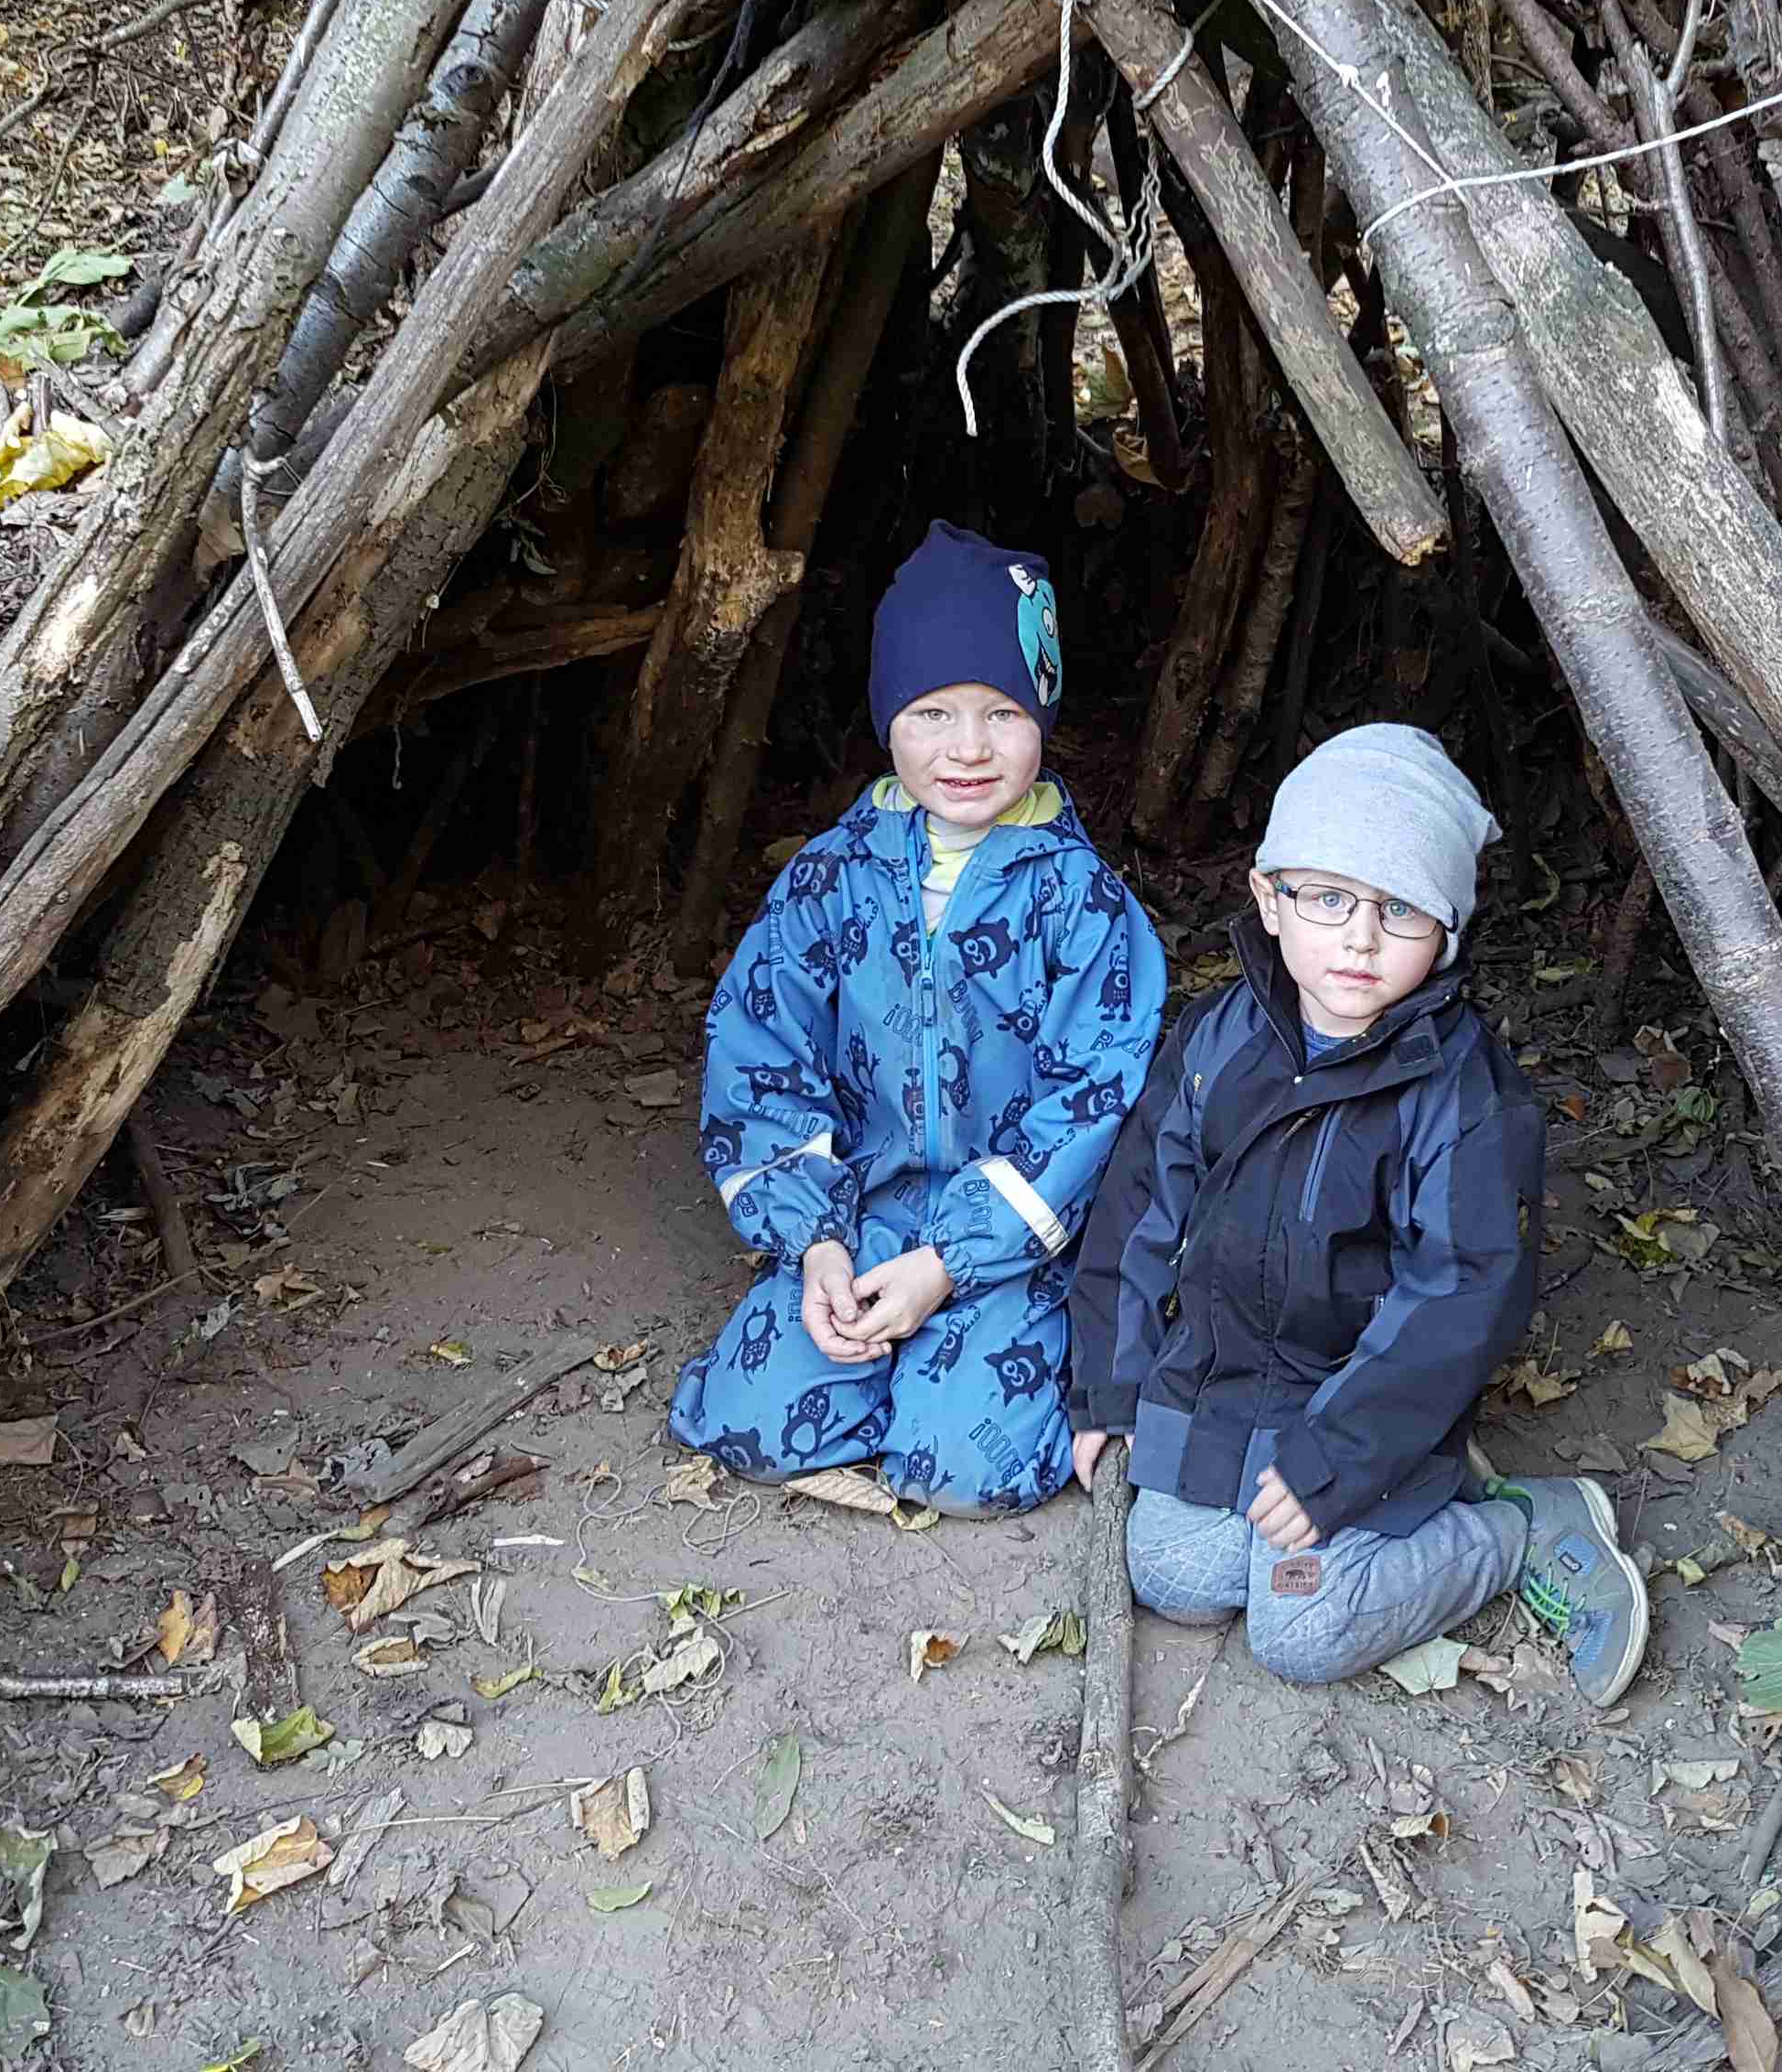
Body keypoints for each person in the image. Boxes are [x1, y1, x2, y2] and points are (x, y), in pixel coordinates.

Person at [1066, 724, 1648, 1701]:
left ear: (1448, 932)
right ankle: (1325, 1524)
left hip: (1364, 1407)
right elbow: (1138, 1209)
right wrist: (1111, 1387)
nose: (1360, 938)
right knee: (1175, 1573)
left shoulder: (1461, 1094)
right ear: (1270, 898)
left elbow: (1464, 1289)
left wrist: (1336, 1459)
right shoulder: (1219, 1039)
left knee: (1303, 1625)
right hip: (1224, 1383)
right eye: (1329, 898)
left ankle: (1516, 1531)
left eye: (1401, 909)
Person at [668, 522, 1168, 1514]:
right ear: (887, 717)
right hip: (860, 1220)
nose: (968, 748)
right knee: (746, 1426)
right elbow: (760, 1056)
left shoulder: (1084, 905)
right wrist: (817, 1244)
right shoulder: (828, 881)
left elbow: (1096, 1100)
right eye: (933, 711)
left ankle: (977, 1365)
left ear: (1042, 714)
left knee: (962, 1472)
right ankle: (892, 1355)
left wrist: (948, 1266)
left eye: (1002, 712)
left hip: (1018, 1240)